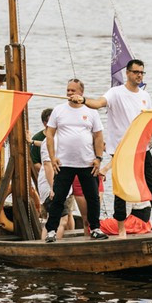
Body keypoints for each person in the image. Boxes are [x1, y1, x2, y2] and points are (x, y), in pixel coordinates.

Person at [74, 59, 152, 238]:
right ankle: (121, 230)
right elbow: (98, 103)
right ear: (127, 73)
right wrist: (83, 100)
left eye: (142, 73)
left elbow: (149, 124)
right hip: (121, 150)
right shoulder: (116, 93)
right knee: (120, 191)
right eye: (136, 72)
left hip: (141, 149)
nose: (139, 75)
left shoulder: (145, 96)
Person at [43, 78, 108, 242]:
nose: (69, 93)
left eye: (73, 90)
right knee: (58, 198)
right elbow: (49, 134)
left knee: (92, 198)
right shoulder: (59, 110)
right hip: (64, 163)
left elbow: (98, 136)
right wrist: (52, 157)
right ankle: (51, 230)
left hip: (87, 162)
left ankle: (95, 228)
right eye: (68, 90)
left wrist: (98, 158)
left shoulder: (91, 111)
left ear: (81, 93)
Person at [30, 108, 52, 181]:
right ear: (45, 123)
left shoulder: (61, 135)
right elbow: (35, 162)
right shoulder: (37, 137)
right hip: (45, 174)